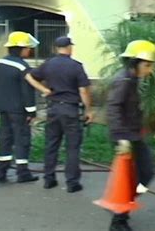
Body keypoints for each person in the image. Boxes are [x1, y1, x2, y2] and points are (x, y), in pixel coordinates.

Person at [26, 36, 93, 193]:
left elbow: (29, 76)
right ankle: (72, 183)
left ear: (56, 48)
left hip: (53, 109)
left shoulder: (48, 64)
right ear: (69, 48)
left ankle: (49, 179)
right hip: (70, 110)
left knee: (51, 145)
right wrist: (89, 110)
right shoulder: (76, 66)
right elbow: (83, 90)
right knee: (72, 147)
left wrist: (43, 90)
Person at [106, 40, 155, 231]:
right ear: (134, 63)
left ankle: (122, 205)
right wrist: (121, 138)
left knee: (146, 174)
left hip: (133, 135)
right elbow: (113, 108)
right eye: (147, 65)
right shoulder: (124, 81)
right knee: (130, 178)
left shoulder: (131, 79)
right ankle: (118, 220)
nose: (150, 70)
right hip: (125, 138)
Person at [0, 31, 40, 183]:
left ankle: (2, 171)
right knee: (22, 139)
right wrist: (31, 111)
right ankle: (23, 173)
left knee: (5, 138)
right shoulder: (22, 66)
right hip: (19, 111)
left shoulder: (0, 63)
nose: (29, 50)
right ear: (20, 49)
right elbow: (27, 91)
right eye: (27, 48)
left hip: (3, 109)